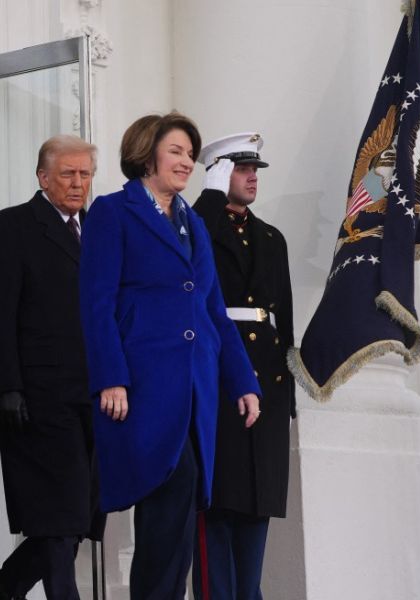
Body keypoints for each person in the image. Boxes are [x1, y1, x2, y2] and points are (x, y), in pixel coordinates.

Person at [78, 112, 262, 600]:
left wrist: (242, 382)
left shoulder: (194, 223)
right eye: (176, 151)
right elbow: (96, 304)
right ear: (146, 154)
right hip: (143, 389)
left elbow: (212, 311)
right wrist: (110, 378)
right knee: (170, 493)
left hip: (195, 390)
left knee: (182, 518)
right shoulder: (112, 212)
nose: (186, 162)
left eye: (189, 154)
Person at [0, 135, 105, 600]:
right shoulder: (8, 228)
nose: (77, 183)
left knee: (76, 518)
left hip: (95, 397)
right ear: (42, 177)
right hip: (36, 398)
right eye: (67, 174)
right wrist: (4, 386)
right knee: (57, 517)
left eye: (85, 174)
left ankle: (1, 588)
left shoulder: (100, 231)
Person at [191, 133, 295, 600]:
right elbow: (187, 253)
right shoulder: (198, 226)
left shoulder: (272, 238)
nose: (253, 177)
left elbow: (284, 317)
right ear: (216, 172)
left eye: (255, 170)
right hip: (219, 378)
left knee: (256, 510)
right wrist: (209, 198)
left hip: (266, 384)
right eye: (240, 169)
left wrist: (288, 392)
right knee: (217, 510)